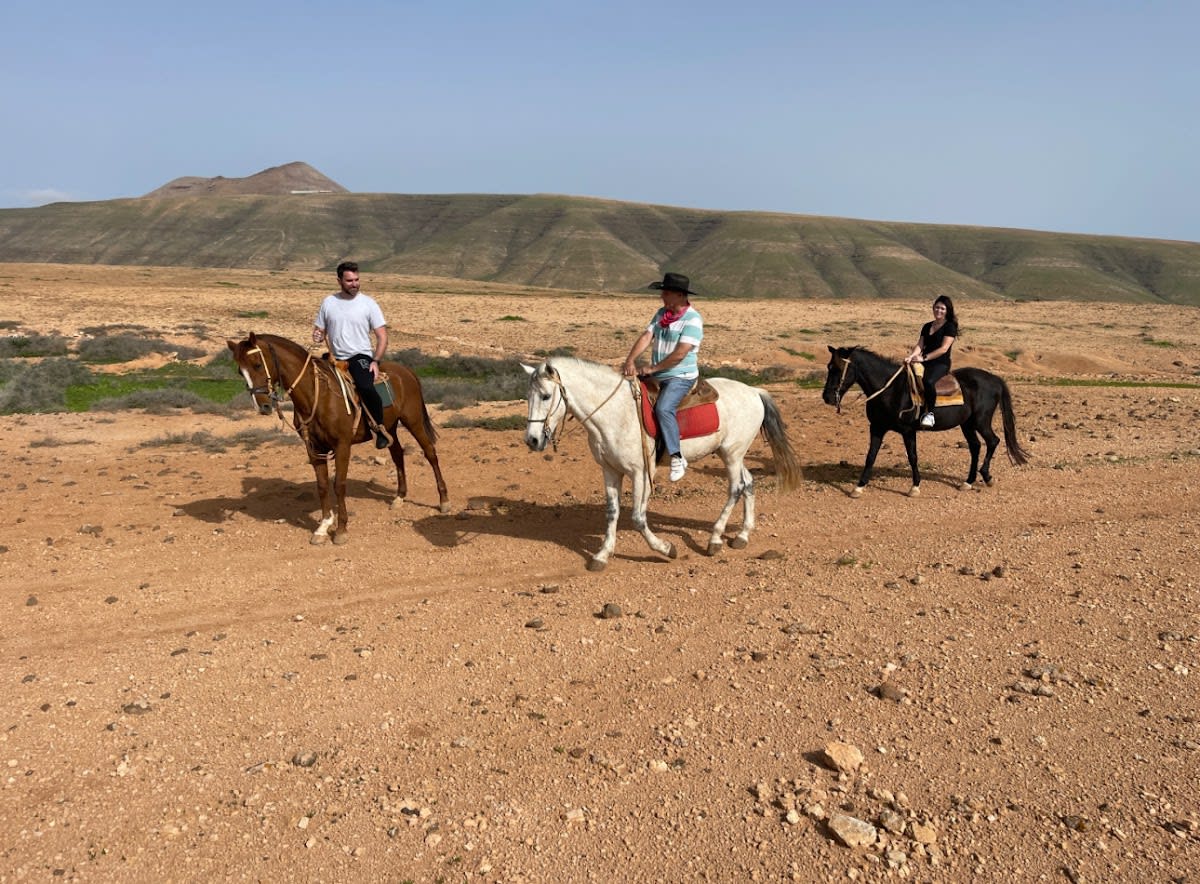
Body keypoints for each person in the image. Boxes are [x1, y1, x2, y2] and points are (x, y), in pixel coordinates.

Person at [622, 271, 704, 481]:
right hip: (658, 373)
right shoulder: (661, 314)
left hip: (680, 376)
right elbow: (647, 336)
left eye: (666, 293)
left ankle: (676, 456)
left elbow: (680, 354)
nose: (662, 297)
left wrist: (652, 369)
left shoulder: (693, 320)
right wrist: (630, 360)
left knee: (663, 408)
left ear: (679, 295)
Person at [312, 261, 392, 448]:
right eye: (349, 281)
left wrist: (376, 361)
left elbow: (382, 336)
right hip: (334, 358)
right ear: (339, 280)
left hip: (360, 356)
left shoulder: (368, 304)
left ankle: (379, 428)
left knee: (365, 386)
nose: (354, 284)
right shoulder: (328, 302)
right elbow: (319, 331)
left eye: (357, 280)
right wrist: (317, 335)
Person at [904, 294, 958, 428]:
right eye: (937, 307)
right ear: (933, 308)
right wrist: (911, 357)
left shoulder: (950, 326)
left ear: (947, 311)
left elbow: (944, 349)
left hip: (940, 363)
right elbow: (920, 345)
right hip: (924, 361)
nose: (939, 311)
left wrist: (924, 358)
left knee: (928, 381)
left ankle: (930, 414)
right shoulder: (927, 326)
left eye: (942, 309)